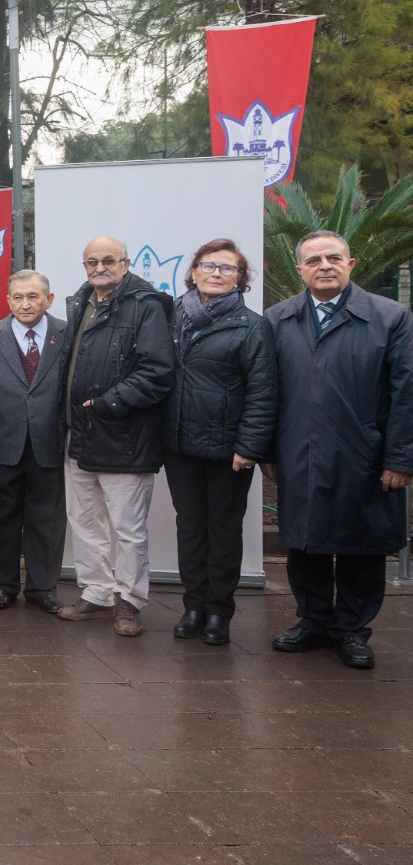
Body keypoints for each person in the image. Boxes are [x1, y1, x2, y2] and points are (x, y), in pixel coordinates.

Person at [266, 230, 413, 669]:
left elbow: (406, 391)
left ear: (351, 264)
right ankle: (312, 621)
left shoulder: (391, 317)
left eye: (333, 257)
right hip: (298, 452)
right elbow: (266, 391)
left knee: (361, 545)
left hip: (365, 455)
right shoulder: (277, 319)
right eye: (313, 260)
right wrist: (267, 450)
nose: (324, 265)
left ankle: (352, 630)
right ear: (300, 270)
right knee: (303, 542)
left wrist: (400, 458)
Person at [57, 236, 174, 637]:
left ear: (126, 264)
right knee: (85, 520)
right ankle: (96, 591)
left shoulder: (146, 306)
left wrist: (109, 404)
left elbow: (158, 372)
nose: (99, 267)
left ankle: (129, 600)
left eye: (108, 260)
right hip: (79, 434)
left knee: (127, 527)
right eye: (92, 261)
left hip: (124, 434)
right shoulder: (80, 302)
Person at [163, 240, 276, 646]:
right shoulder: (171, 315)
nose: (215, 273)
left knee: (224, 531)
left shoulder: (252, 326)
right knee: (190, 529)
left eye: (227, 268)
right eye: (208, 265)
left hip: (229, 451)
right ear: (193, 272)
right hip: (178, 446)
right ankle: (192, 606)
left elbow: (264, 393)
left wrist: (249, 447)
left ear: (240, 280)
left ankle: (218, 612)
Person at [0, 270, 69, 614]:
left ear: (49, 299)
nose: (25, 304)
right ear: (8, 300)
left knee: (47, 520)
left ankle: (42, 587)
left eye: (32, 297)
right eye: (17, 297)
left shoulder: (67, 334)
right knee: (4, 517)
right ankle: (2, 584)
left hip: (51, 443)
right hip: (2, 444)